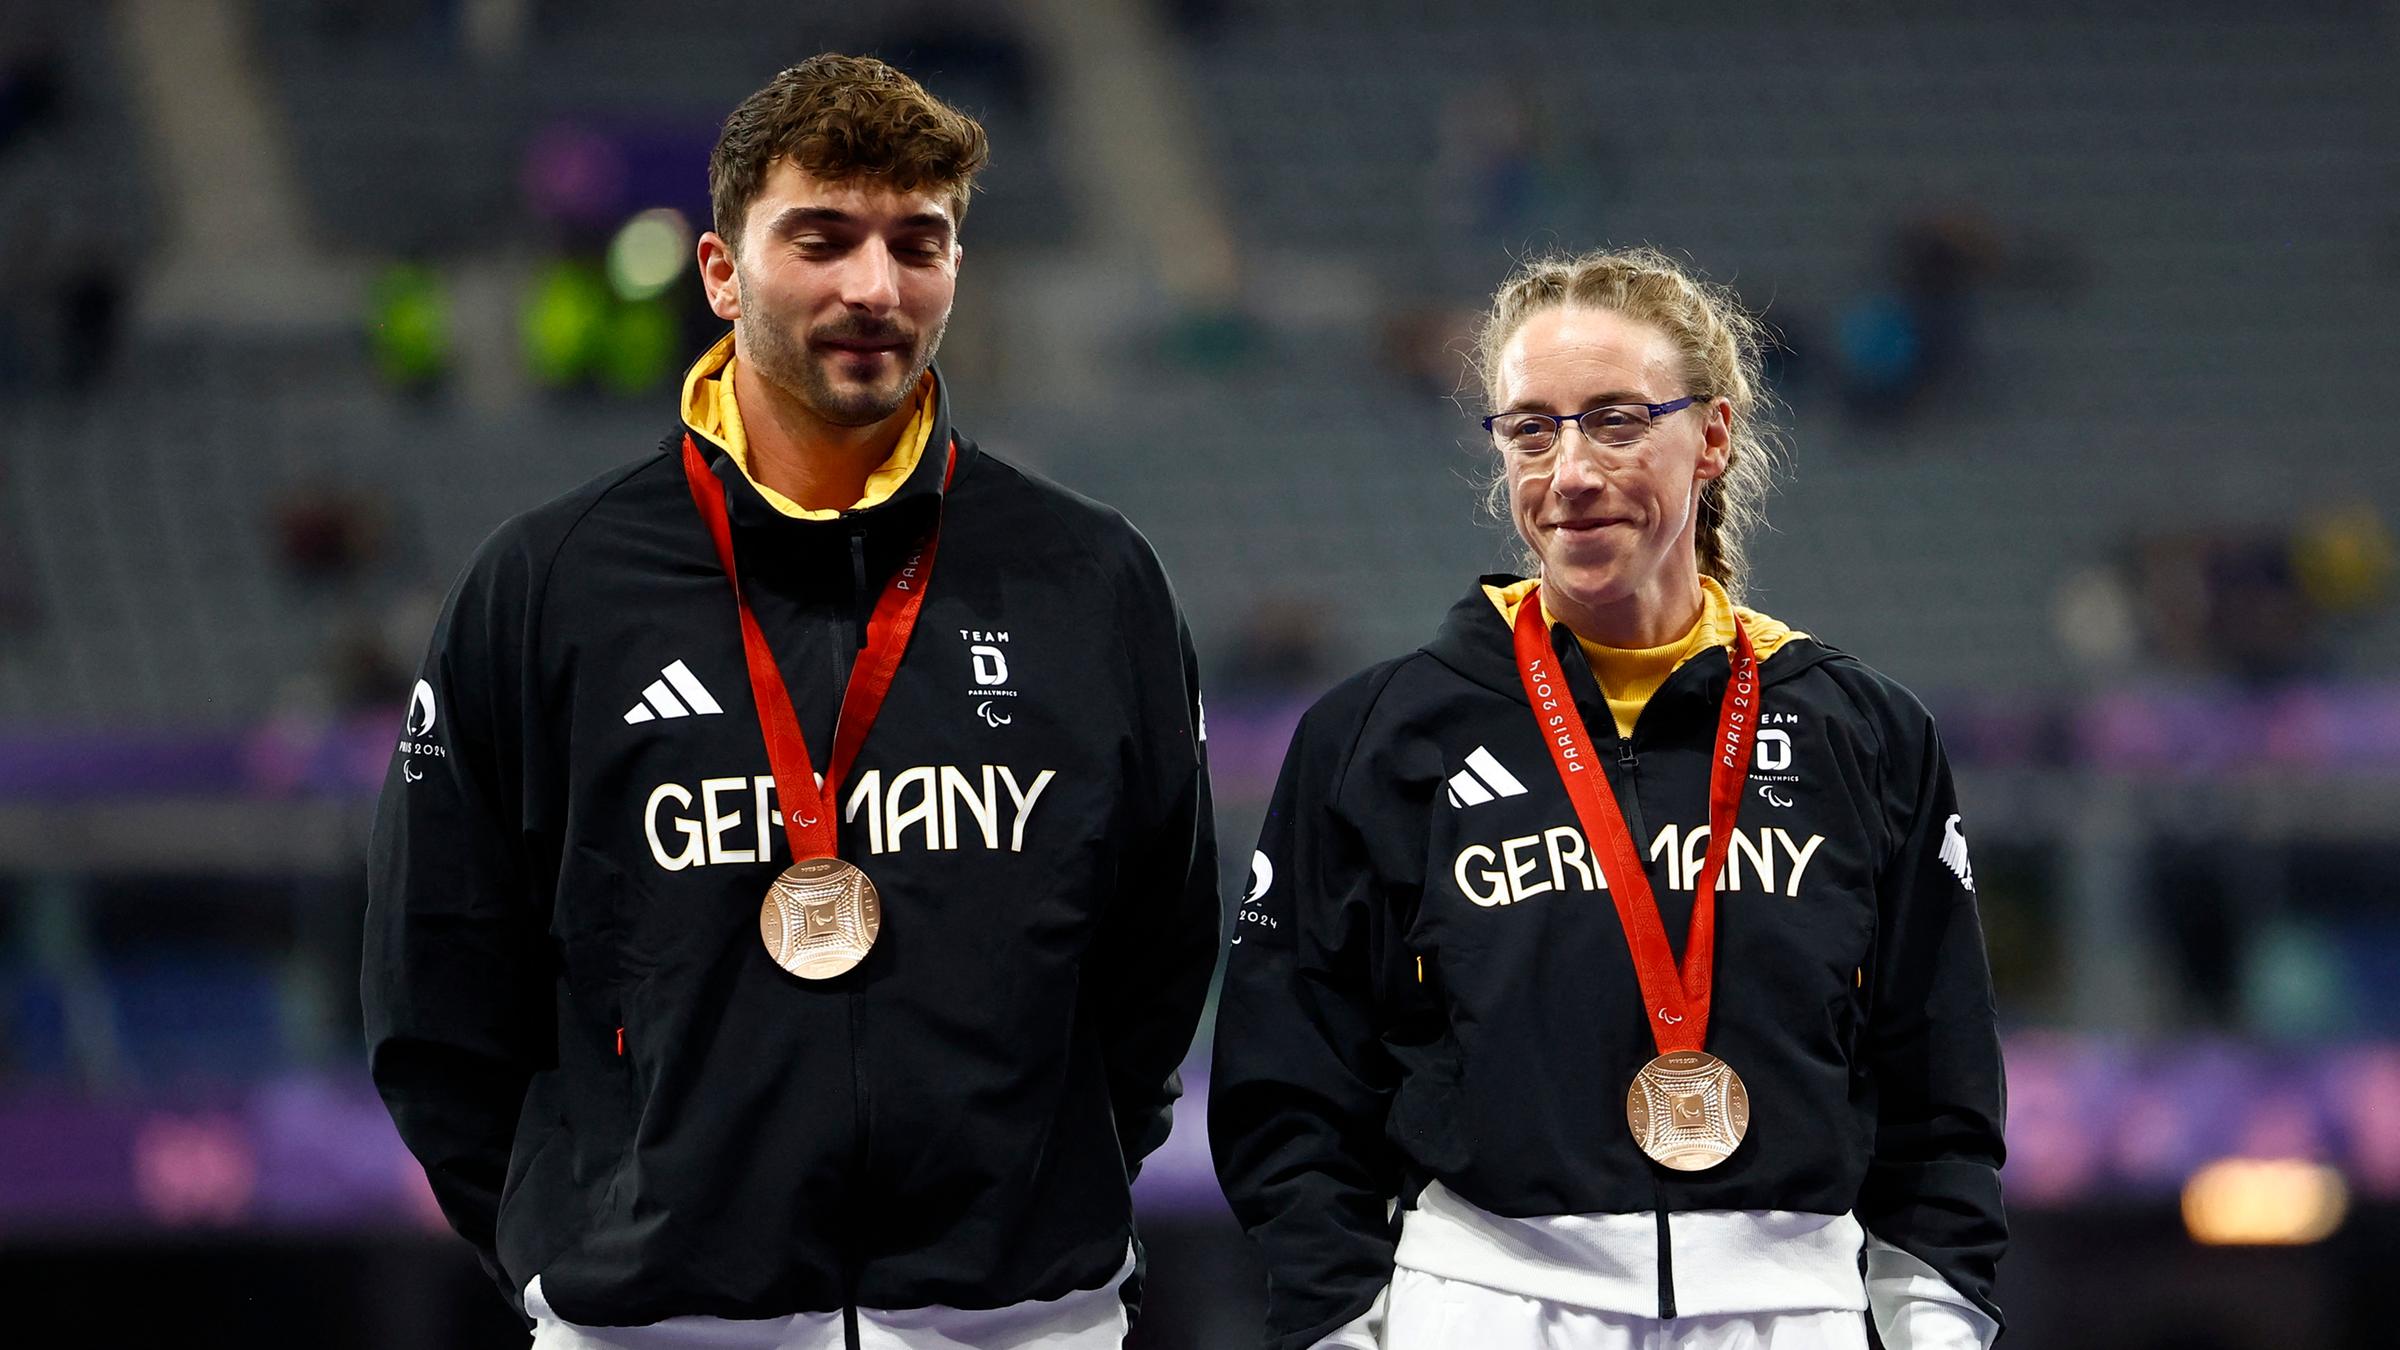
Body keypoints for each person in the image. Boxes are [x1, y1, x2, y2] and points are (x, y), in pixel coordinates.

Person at [363, 55, 1220, 1350]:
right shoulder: (549, 585)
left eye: (916, 242)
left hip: (1018, 1320)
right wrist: (573, 1242)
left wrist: (1035, 1203)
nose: (874, 287)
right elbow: (437, 986)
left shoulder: (1091, 578)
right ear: (720, 270)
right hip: (658, 1326)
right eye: (821, 238)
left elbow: (1160, 953)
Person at [1211, 246, 2005, 1350]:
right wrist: (1343, 1325)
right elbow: (1289, 1082)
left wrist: (1937, 1326)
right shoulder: (1382, 738)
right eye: (1532, 429)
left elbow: (1941, 1083)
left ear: (1714, 438)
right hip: (1486, 1309)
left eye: (1616, 420)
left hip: (1798, 1311)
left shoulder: (1862, 734)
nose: (1569, 470)